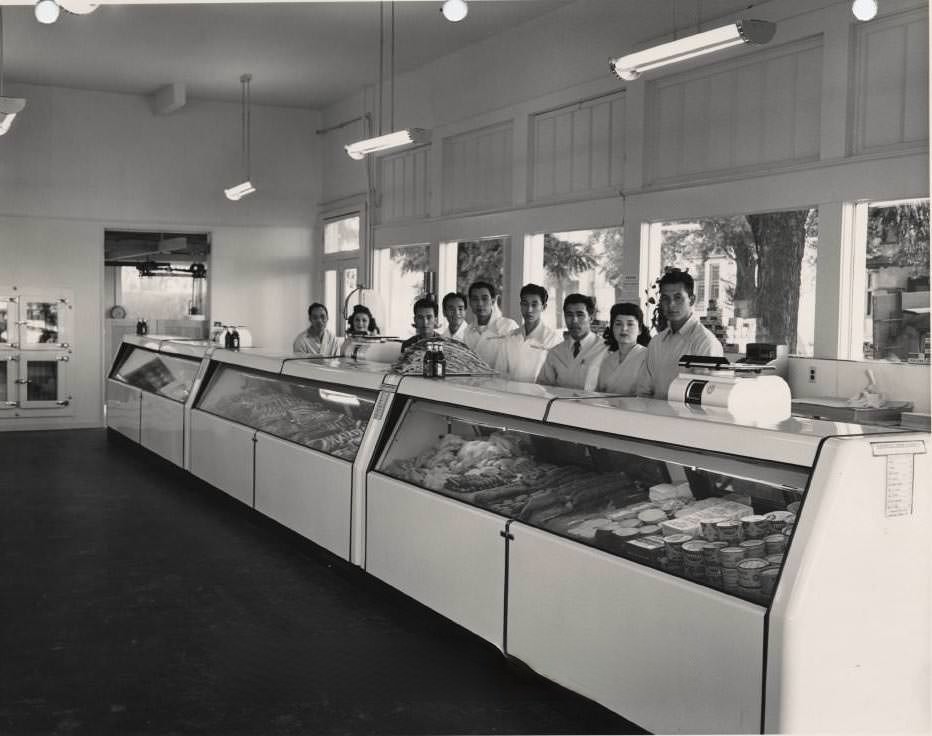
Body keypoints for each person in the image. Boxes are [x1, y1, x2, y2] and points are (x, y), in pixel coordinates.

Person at [636, 269, 723, 400]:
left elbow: (705, 397)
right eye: (665, 298)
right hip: (653, 412)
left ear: (692, 300)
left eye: (678, 298)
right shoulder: (656, 342)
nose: (671, 305)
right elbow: (643, 392)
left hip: (686, 413)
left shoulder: (705, 343)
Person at [537, 293, 607, 390]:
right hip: (560, 400)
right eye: (569, 315)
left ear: (591, 318)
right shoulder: (555, 352)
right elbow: (542, 388)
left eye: (580, 315)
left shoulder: (605, 349)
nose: (574, 320)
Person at [495, 283, 562, 382]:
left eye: (534, 305)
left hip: (540, 392)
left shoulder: (553, 340)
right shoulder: (509, 337)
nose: (529, 310)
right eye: (525, 304)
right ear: (520, 305)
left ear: (544, 307)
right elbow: (499, 374)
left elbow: (556, 378)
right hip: (511, 391)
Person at [595, 302, 650, 395]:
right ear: (612, 328)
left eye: (630, 324)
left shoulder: (647, 357)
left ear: (640, 330)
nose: (624, 328)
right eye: (618, 324)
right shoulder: (607, 360)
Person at [463, 280, 518, 367]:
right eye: (475, 299)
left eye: (484, 299)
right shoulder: (467, 331)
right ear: (470, 303)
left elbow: (516, 363)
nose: (480, 304)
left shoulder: (508, 326)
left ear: (493, 301)